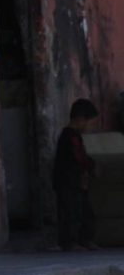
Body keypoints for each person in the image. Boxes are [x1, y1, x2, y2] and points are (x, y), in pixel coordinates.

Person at [53, 98, 99, 251]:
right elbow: (78, 157)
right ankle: (69, 242)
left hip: (76, 182)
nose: (88, 126)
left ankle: (84, 239)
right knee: (70, 213)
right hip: (68, 182)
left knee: (84, 212)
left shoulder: (75, 136)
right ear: (80, 119)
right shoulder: (70, 136)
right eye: (87, 122)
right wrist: (90, 167)